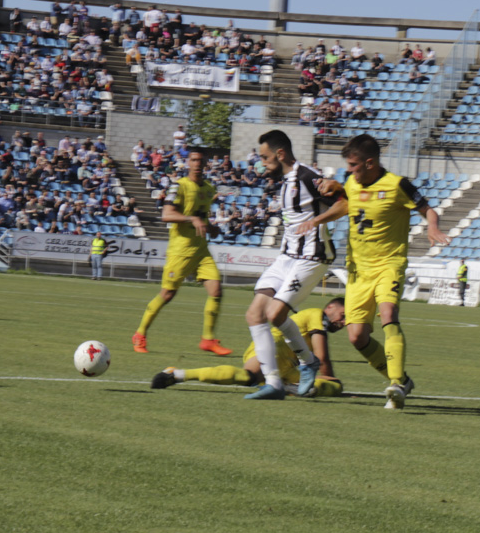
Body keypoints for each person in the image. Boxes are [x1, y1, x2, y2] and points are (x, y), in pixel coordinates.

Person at [315, 134, 450, 409]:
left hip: (389, 264)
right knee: (356, 337)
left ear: (370, 162)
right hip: (357, 271)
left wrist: (432, 226)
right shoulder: (353, 182)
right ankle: (401, 381)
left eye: (353, 165)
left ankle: (397, 384)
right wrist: (333, 188)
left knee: (388, 314)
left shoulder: (397, 185)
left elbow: (427, 209)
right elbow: (348, 196)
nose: (349, 170)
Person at [243, 130, 345, 400]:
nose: (261, 162)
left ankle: (308, 361)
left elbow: (344, 205)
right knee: (255, 314)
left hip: (313, 257)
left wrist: (317, 220)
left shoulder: (308, 177)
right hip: (286, 257)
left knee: (275, 315)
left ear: (280, 154)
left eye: (265, 157)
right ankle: (274, 383)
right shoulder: (287, 181)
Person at [133, 150, 231, 356]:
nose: (197, 163)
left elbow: (201, 216)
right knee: (168, 294)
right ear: (187, 162)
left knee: (216, 291)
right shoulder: (179, 186)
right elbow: (167, 214)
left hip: (201, 250)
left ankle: (207, 339)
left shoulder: (208, 188)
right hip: (180, 251)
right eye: (193, 160)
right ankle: (140, 334)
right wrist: (191, 219)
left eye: (200, 160)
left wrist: (210, 227)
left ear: (205, 164)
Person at [152, 299, 347, 398]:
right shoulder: (316, 315)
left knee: (336, 387)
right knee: (249, 376)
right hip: (274, 346)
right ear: (329, 307)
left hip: (288, 366)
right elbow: (322, 358)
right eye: (343, 315)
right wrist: (328, 376)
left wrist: (331, 381)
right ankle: (177, 374)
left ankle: (288, 387)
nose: (344, 322)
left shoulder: (319, 325)